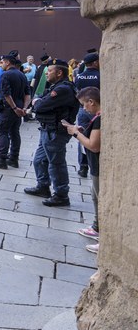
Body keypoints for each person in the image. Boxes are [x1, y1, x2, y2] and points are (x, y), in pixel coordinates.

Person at [23, 59, 80, 207]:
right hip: (47, 130)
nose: (47, 74)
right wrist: (38, 102)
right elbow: (41, 100)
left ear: (59, 73)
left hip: (55, 132)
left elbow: (41, 105)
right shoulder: (57, 86)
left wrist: (37, 103)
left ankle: (61, 195)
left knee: (56, 164)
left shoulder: (63, 89)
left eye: (49, 71)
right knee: (39, 160)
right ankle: (43, 186)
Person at [63, 87, 101, 253]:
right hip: (95, 165)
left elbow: (93, 145)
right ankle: (98, 228)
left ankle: (105, 239)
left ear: (92, 102)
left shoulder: (99, 118)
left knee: (101, 199)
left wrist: (75, 133)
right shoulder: (97, 117)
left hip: (98, 165)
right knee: (95, 196)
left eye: (85, 105)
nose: (84, 108)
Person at [0, 55, 30, 169]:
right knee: (15, 133)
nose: (0, 64)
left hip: (8, 109)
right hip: (19, 108)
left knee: (2, 132)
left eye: (2, 62)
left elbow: (6, 94)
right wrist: (24, 108)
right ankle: (14, 158)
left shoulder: (5, 75)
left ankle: (2, 159)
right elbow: (27, 94)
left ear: (7, 62)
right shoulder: (22, 75)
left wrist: (14, 108)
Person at [74, 52, 100, 178]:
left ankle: (83, 166)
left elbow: (77, 91)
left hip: (83, 108)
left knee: (82, 135)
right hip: (97, 109)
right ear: (95, 62)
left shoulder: (79, 76)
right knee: (97, 134)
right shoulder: (101, 76)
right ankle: (94, 164)